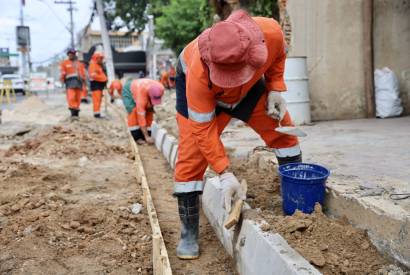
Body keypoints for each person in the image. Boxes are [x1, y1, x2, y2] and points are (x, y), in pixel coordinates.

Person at [173, 10, 302, 259]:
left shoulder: (270, 33)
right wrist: (224, 172)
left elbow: (279, 55)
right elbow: (203, 129)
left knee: (284, 134)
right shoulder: (198, 73)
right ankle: (188, 233)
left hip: (250, 89)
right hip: (209, 96)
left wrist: (275, 87)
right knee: (192, 156)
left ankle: (297, 208)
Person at [121, 78, 165, 144]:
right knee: (133, 111)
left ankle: (146, 133)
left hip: (140, 87)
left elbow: (153, 102)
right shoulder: (141, 98)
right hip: (129, 90)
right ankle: (137, 137)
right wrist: (146, 137)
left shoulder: (161, 88)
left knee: (149, 110)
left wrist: (150, 106)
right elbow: (141, 117)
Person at [60, 48, 86, 120]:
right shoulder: (65, 63)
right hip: (70, 83)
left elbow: (83, 73)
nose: (71, 55)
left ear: (74, 55)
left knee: (78, 98)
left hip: (78, 83)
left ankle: (76, 112)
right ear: (68, 55)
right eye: (70, 54)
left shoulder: (79, 64)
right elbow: (63, 73)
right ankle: (73, 112)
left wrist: (83, 80)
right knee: (71, 97)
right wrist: (62, 79)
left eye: (73, 54)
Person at [88, 52, 107, 118]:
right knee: (97, 100)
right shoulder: (93, 65)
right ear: (96, 58)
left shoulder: (99, 65)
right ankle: (96, 114)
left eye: (102, 58)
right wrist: (104, 79)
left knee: (98, 100)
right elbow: (93, 75)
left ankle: (97, 113)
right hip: (96, 85)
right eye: (100, 58)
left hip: (99, 85)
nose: (102, 60)